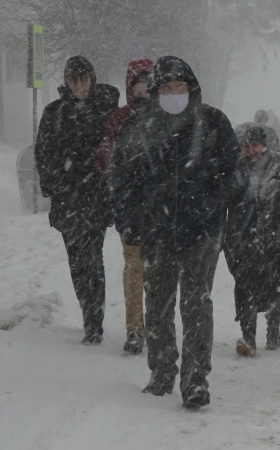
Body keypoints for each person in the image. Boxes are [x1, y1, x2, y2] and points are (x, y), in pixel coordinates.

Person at [110, 56, 244, 410]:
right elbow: (122, 178)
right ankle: (162, 371)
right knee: (158, 304)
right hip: (158, 231)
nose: (174, 94)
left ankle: (196, 378)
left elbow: (235, 174)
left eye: (180, 87)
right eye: (166, 88)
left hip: (202, 232)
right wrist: (130, 220)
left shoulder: (212, 122)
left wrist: (213, 203)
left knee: (197, 303)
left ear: (191, 88)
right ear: (155, 91)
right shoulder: (140, 127)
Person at [34, 56, 119, 346]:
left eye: (84, 79)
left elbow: (116, 149)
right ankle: (88, 309)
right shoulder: (54, 112)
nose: (80, 86)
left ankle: (94, 322)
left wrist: (105, 185)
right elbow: (43, 154)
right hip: (68, 200)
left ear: (92, 80)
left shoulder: (106, 108)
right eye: (74, 80)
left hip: (95, 198)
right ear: (67, 83)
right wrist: (55, 187)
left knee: (92, 259)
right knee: (77, 263)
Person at [224, 123, 280, 357]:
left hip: (278, 237)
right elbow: (223, 201)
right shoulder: (234, 168)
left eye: (255, 146)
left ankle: (273, 330)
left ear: (264, 145)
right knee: (245, 286)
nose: (250, 151)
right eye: (245, 146)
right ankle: (248, 336)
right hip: (243, 239)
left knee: (277, 285)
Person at [96, 58, 154, 355]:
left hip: (160, 207)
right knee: (134, 266)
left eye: (148, 80)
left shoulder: (165, 115)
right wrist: (121, 184)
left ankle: (156, 325)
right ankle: (135, 328)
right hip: (130, 204)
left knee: (157, 269)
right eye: (139, 81)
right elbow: (106, 158)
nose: (144, 87)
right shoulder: (118, 119)